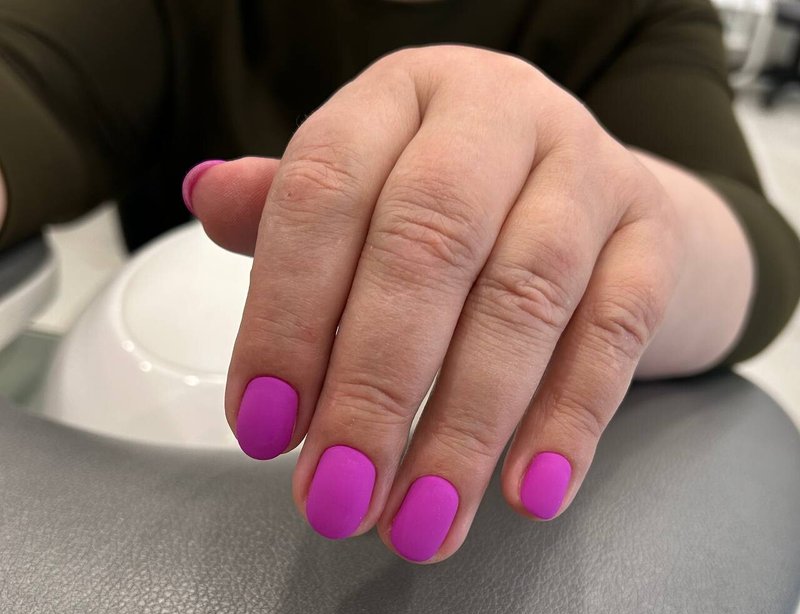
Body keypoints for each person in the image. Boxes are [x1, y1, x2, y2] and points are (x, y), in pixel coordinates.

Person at [1, 0, 798, 564]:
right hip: (147, 495)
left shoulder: (631, 12)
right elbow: (31, 78)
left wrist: (636, 224)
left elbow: (755, 254)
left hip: (502, 558)